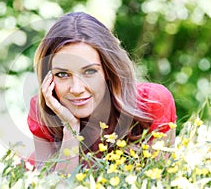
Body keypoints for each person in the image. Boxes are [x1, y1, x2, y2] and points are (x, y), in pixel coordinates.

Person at [27, 12, 177, 174]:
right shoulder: (42, 112)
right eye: (62, 74)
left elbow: (162, 180)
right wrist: (70, 127)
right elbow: (54, 185)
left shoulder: (152, 103)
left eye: (89, 71)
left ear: (109, 70)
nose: (76, 89)